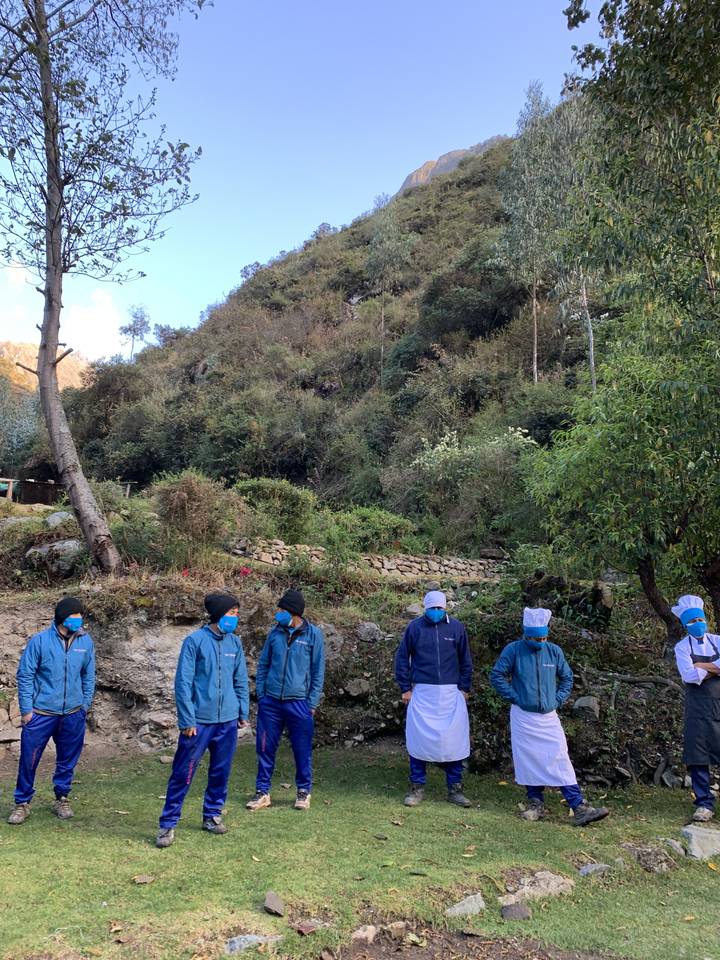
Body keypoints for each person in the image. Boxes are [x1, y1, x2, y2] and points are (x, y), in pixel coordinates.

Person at [490, 607, 609, 827]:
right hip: (523, 716)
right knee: (528, 760)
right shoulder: (514, 650)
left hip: (548, 716)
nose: (540, 641)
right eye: (536, 638)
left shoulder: (554, 651)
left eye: (544, 637)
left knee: (559, 757)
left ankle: (578, 806)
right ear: (526, 634)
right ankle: (536, 804)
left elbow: (567, 678)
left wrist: (558, 699)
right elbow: (497, 675)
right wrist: (515, 696)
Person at [156, 592, 250, 848]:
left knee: (221, 771)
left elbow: (240, 679)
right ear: (219, 614)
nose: (235, 617)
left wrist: (242, 712)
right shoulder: (194, 642)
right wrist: (187, 719)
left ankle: (212, 815)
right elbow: (183, 683)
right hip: (199, 722)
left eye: (236, 613)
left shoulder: (235, 644)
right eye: (232, 613)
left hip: (228, 720)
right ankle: (168, 824)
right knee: (183, 773)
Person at [8, 597, 95, 825]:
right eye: (74, 616)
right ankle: (22, 803)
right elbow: (25, 676)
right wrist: (27, 710)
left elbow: (89, 675)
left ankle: (62, 797)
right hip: (41, 713)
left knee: (67, 759)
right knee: (29, 759)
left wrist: (85, 704)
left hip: (73, 713)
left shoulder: (86, 642)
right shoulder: (39, 642)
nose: (79, 620)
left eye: (80, 616)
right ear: (62, 618)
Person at [246, 589, 325, 812]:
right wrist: (261, 694)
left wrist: (311, 703)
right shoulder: (275, 633)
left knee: (301, 749)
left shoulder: (313, 635)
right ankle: (262, 792)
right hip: (270, 702)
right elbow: (263, 664)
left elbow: (318, 671)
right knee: (264, 748)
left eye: (281, 609)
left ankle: (303, 791)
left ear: (293, 612)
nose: (277, 613)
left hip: (299, 703)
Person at [394, 590, 473, 808]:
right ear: (425, 609)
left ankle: (455, 788)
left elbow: (465, 659)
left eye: (440, 608)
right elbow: (402, 658)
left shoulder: (457, 628)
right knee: (419, 740)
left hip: (451, 693)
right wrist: (405, 688)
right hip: (422, 692)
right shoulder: (414, 628)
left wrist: (464, 687)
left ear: (445, 608)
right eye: (432, 609)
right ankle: (417, 787)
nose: (436, 612)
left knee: (454, 742)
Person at [672, 594, 720, 822]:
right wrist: (715, 668)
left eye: (699, 619)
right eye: (691, 622)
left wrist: (700, 665)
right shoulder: (681, 647)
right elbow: (689, 676)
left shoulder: (718, 640)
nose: (697, 624)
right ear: (685, 625)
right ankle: (704, 803)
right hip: (699, 709)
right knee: (698, 754)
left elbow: (695, 670)